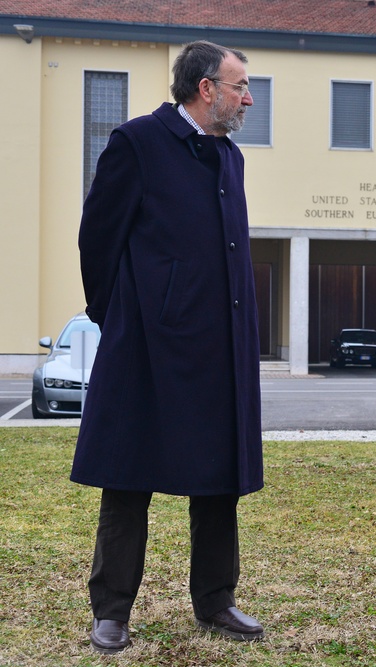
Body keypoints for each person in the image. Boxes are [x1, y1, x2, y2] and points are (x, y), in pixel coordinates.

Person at [73, 40, 265, 654]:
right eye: (240, 86)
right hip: (146, 345)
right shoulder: (137, 143)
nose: (248, 97)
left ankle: (215, 601)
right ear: (206, 88)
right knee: (127, 475)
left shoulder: (229, 156)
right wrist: (122, 315)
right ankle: (112, 610)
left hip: (221, 345)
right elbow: (98, 239)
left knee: (218, 480)